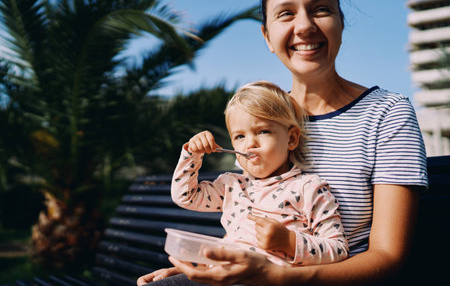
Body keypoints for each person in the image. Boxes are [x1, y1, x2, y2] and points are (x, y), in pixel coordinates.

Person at [138, 0, 428, 285]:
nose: (304, 26)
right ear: (267, 36)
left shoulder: (387, 113)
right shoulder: (261, 120)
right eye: (286, 13)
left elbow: (388, 257)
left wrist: (276, 277)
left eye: (321, 9)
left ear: (340, 21)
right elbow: (246, 220)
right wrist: (208, 270)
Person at [140, 81, 348, 284]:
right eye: (240, 136)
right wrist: (192, 155)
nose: (250, 144)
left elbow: (338, 249)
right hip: (219, 276)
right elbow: (185, 197)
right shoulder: (232, 185)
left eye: (263, 131)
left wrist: (289, 242)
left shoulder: (308, 188)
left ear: (291, 139)